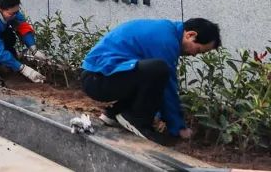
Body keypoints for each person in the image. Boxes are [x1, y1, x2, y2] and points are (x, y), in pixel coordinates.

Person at [81, 17, 222, 141]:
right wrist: (178, 127)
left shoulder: (167, 31)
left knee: (152, 73)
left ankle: (114, 114)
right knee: (159, 69)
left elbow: (152, 85)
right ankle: (137, 120)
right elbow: (168, 87)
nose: (194, 55)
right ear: (190, 35)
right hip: (97, 80)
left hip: (99, 77)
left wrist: (159, 114)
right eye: (198, 50)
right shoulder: (166, 40)